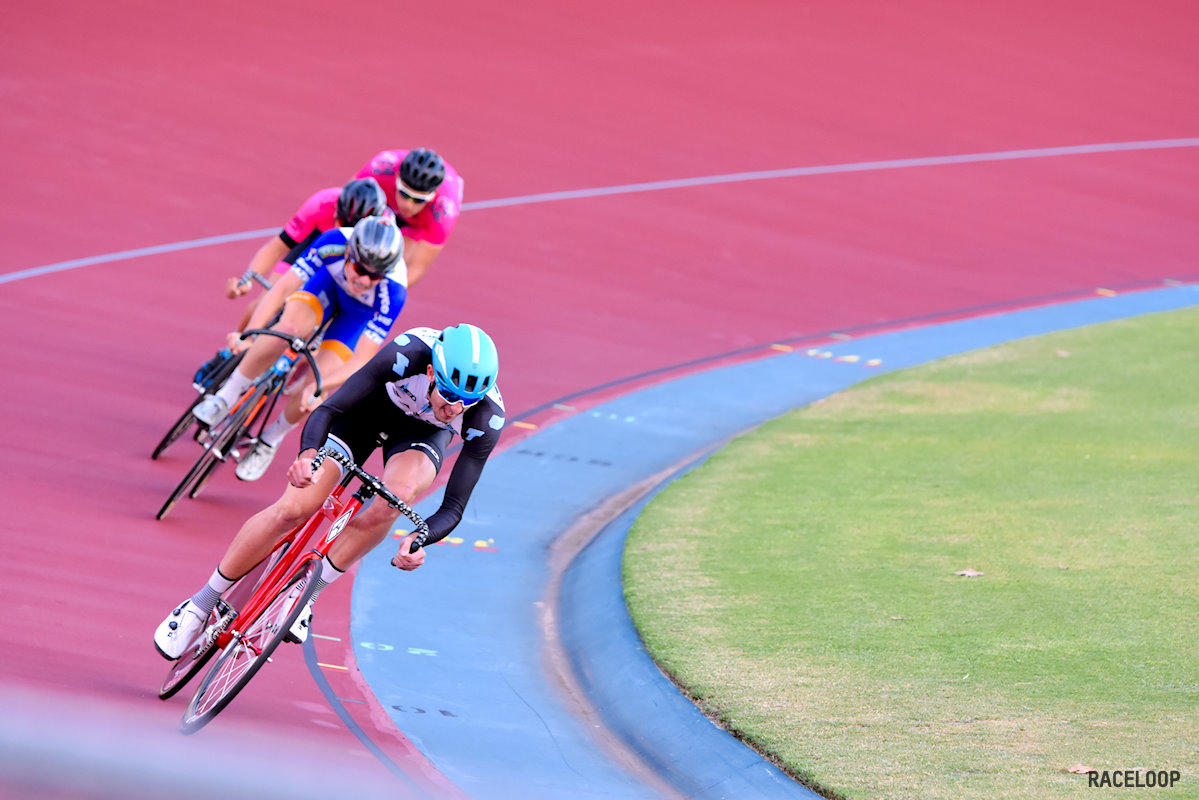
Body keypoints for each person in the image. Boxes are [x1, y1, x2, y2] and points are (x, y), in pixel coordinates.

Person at [154, 323, 504, 658]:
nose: (454, 408)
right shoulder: (406, 353)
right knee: (293, 509)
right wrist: (307, 457)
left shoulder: (486, 418)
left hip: (420, 438)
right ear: (430, 372)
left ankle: (306, 595)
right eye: (447, 394)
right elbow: (329, 409)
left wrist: (418, 539)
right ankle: (199, 604)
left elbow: (454, 507)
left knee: (398, 497)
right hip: (366, 414)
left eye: (466, 402)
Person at [192, 215, 408, 482]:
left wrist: (320, 385)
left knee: (318, 385)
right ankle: (226, 397)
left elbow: (363, 358)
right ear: (349, 252)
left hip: (355, 318)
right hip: (325, 289)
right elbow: (282, 289)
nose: (364, 281)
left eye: (375, 276)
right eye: (361, 270)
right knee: (287, 329)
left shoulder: (394, 291)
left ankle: (270, 439)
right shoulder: (333, 242)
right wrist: (250, 333)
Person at [354, 148, 463, 286]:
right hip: (382, 202)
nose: (408, 205)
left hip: (418, 222)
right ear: (397, 176)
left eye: (418, 200)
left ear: (433, 195)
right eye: (404, 194)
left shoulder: (443, 212)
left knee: (395, 261)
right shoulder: (379, 169)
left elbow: (416, 268)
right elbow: (345, 203)